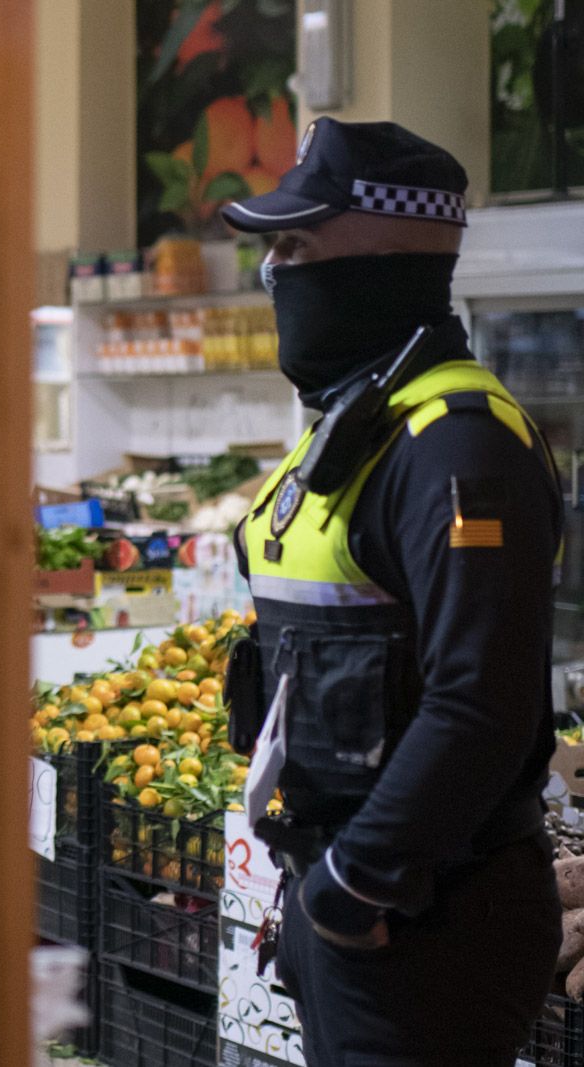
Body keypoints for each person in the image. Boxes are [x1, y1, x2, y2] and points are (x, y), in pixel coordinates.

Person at [223, 120, 563, 1066]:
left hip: (425, 912)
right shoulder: (360, 423)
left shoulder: (458, 442)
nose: (275, 271)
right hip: (355, 897)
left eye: (295, 244)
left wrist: (353, 883)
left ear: (388, 249)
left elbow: (481, 703)